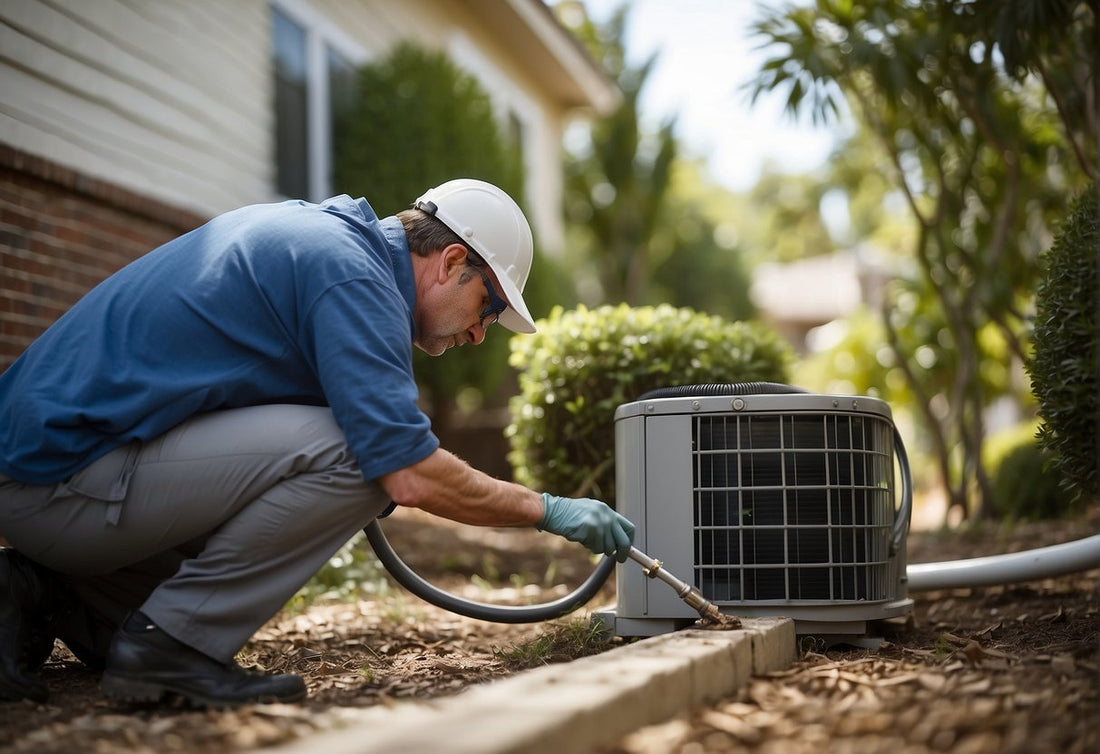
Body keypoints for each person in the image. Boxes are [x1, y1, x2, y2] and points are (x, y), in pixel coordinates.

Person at [0, 179, 635, 707]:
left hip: (52, 475)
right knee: (364, 457)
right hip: (54, 483)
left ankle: (49, 592)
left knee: (353, 455)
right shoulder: (350, 276)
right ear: (449, 262)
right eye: (490, 306)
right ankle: (175, 649)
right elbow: (407, 472)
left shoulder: (333, 244)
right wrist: (548, 510)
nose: (480, 335)